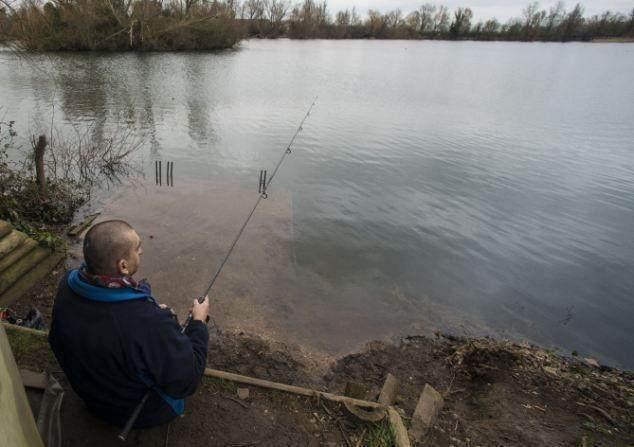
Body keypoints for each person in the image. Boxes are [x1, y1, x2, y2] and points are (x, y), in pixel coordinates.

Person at [48, 220, 210, 427]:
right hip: (135, 413)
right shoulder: (147, 322)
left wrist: (148, 313)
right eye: (137, 247)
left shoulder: (68, 284)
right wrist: (198, 322)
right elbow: (187, 381)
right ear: (123, 265)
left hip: (90, 395)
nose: (141, 251)